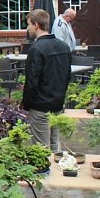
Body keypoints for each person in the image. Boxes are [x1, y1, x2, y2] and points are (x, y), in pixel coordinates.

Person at [22, 9, 71, 148]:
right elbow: (67, 76)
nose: (28, 28)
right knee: (55, 147)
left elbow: (32, 81)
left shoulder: (36, 49)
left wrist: (26, 104)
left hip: (40, 106)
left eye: (29, 24)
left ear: (36, 25)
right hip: (57, 104)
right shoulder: (64, 46)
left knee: (41, 150)